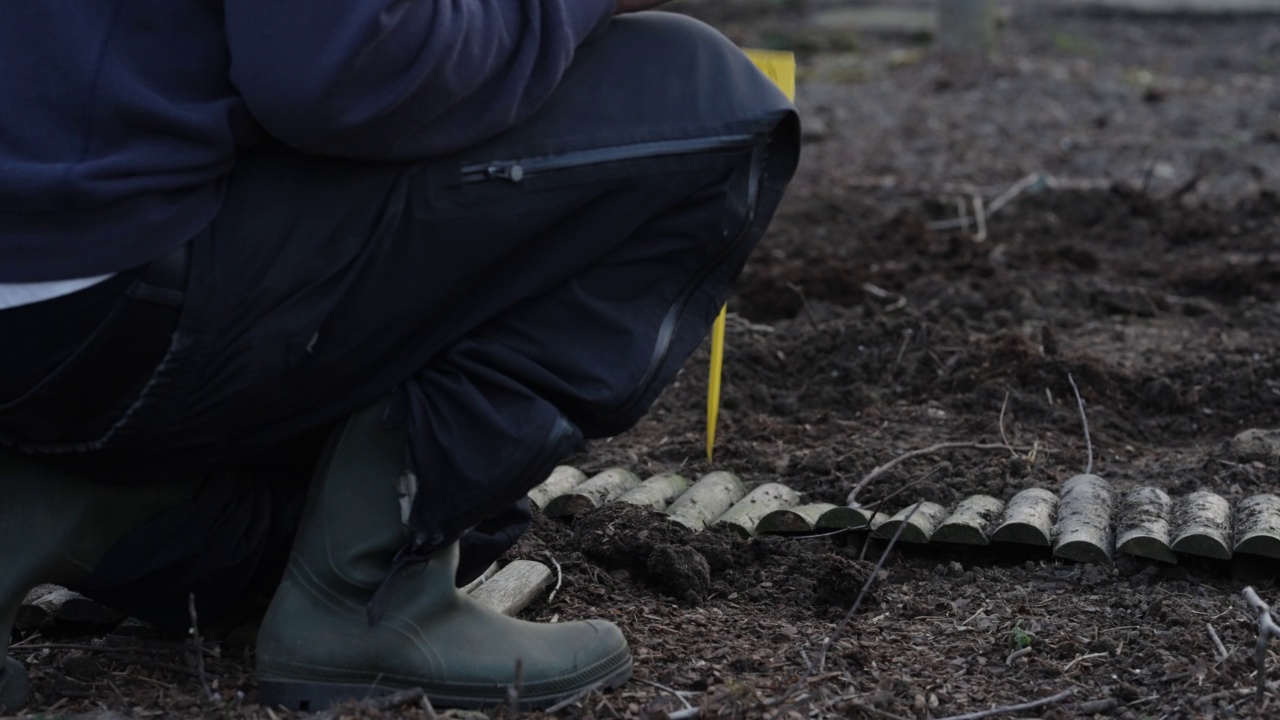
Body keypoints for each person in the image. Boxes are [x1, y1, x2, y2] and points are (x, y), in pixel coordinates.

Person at [0, 0, 798, 713]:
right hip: (101, 289)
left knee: (472, 515)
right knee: (695, 89)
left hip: (41, 291)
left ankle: (67, 505)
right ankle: (368, 605)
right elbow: (343, 66)